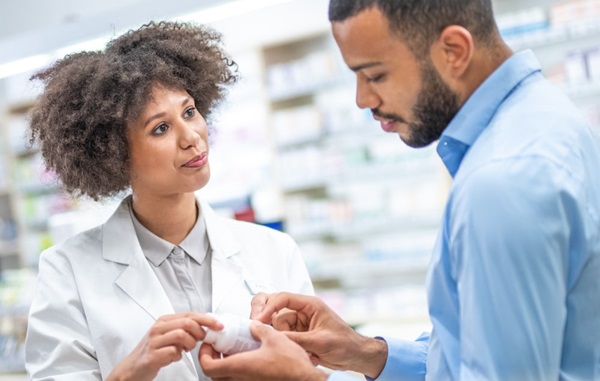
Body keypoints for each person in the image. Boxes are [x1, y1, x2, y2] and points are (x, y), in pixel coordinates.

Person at [199, 0, 600, 380]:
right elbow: (477, 358)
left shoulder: (500, 183)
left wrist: (305, 377)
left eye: (374, 75)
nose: (362, 99)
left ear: (455, 50)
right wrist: (365, 352)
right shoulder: (546, 117)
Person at [24, 21, 314, 381]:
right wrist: (129, 372)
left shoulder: (275, 251)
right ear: (114, 154)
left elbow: (317, 367)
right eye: (160, 128)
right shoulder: (66, 271)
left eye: (189, 111)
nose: (192, 136)